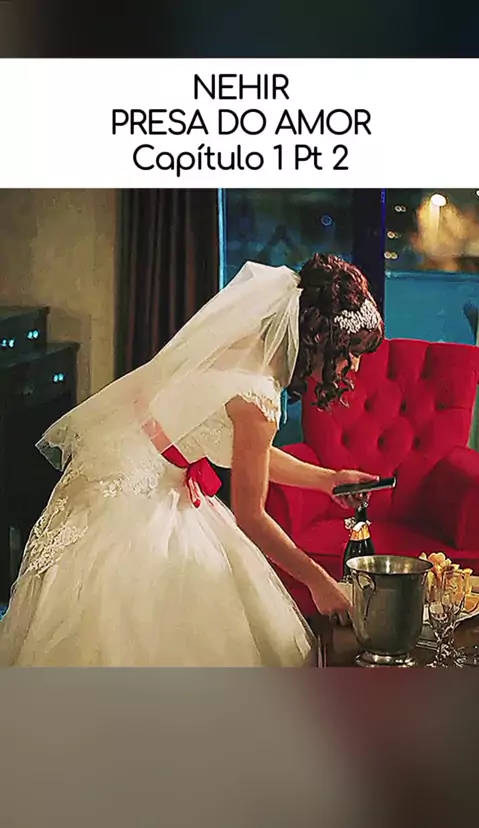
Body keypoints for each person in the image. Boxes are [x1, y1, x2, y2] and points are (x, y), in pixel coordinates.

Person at [0, 253, 384, 667]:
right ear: (321, 338)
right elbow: (251, 516)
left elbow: (247, 452)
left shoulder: (242, 345)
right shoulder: (258, 396)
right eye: (351, 351)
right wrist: (319, 583)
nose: (355, 364)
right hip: (137, 492)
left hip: (122, 459)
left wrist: (329, 479)